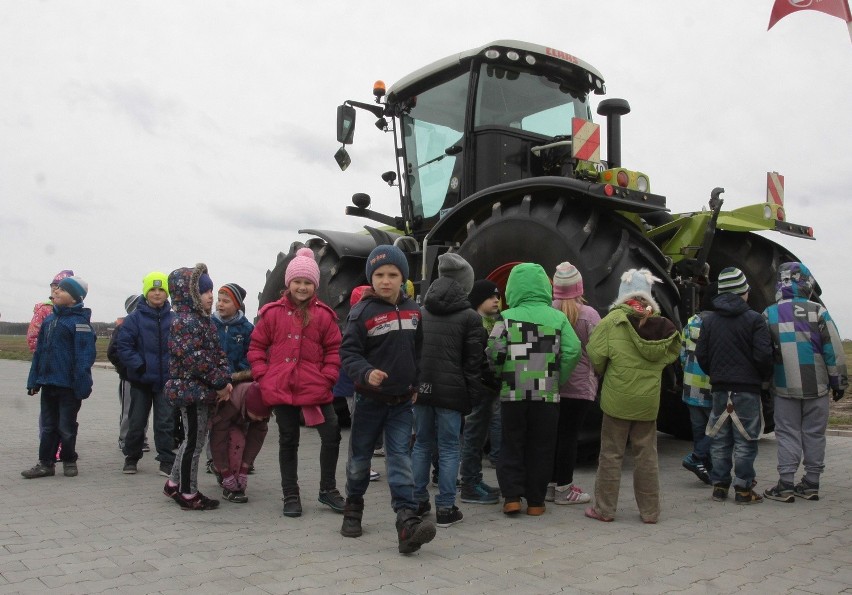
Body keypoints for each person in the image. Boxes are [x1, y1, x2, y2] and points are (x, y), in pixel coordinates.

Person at [339, 244, 436, 554]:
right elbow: (349, 353)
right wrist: (366, 373)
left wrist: (417, 382)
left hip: (401, 402)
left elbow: (419, 351)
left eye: (393, 274)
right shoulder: (362, 312)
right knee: (359, 460)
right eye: (379, 274)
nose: (385, 280)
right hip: (369, 402)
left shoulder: (413, 310)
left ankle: (407, 523)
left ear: (403, 277)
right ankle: (353, 507)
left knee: (400, 460)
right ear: (371, 277)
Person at [248, 248, 345, 518]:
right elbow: (257, 347)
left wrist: (328, 377)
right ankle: (290, 494)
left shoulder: (325, 316)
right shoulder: (272, 314)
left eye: (307, 283)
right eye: (297, 282)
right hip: (281, 388)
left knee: (332, 434)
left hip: (315, 387)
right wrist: (263, 375)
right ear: (288, 283)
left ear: (315, 285)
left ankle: (328, 489)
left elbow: (334, 350)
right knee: (288, 439)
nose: (302, 287)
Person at [584, 268, 680, 523]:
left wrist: (605, 371)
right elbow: (671, 354)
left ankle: (604, 509)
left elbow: (595, 354)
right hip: (648, 403)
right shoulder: (661, 326)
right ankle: (650, 512)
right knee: (646, 455)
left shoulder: (612, 321)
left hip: (617, 400)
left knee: (611, 454)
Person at [486, 263, 581, 516]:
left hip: (513, 392)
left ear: (512, 289)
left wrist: (500, 375)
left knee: (512, 443)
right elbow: (574, 350)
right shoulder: (558, 317)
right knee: (542, 446)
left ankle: (512, 497)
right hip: (546, 395)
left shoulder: (506, 318)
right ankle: (536, 502)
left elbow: (494, 349)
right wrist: (558, 378)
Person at [762, 262, 848, 503]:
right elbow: (833, 349)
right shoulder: (818, 312)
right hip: (817, 385)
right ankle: (811, 483)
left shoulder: (768, 314)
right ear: (806, 283)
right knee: (814, 434)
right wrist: (838, 381)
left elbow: (763, 353)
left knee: (787, 433)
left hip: (783, 384)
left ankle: (786, 484)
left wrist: (764, 385)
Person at [412, 253, 483, 528]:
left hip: (422, 389)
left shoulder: (420, 311)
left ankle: (418, 502)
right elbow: (473, 363)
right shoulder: (470, 317)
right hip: (452, 394)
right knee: (450, 448)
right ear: (466, 284)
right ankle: (445, 508)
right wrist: (472, 397)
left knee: (421, 444)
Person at [696, 267, 773, 505]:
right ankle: (743, 489)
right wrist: (762, 378)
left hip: (720, 389)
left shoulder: (709, 321)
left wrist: (717, 375)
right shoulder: (755, 320)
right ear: (743, 292)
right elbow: (763, 356)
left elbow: (702, 355)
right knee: (746, 439)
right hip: (747, 389)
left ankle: (719, 487)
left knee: (719, 439)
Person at [162, 264, 232, 510]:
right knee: (194, 443)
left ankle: (173, 483)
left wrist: (225, 377)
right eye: (204, 291)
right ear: (189, 295)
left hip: (202, 390)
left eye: (211, 290)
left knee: (193, 439)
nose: (211, 296)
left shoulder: (203, 321)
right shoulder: (184, 322)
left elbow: (217, 354)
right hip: (191, 391)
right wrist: (220, 381)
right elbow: (196, 359)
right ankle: (188, 492)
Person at [22, 276, 96, 479]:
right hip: (48, 383)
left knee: (67, 426)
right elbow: (39, 353)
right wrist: (34, 380)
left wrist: (82, 385)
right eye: (56, 290)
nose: (56, 292)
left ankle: (69, 459)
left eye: (62, 291)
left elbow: (84, 358)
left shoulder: (79, 323)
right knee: (48, 426)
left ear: (75, 298)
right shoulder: (49, 320)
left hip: (69, 387)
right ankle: (45, 463)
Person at [547, 262, 601, 505]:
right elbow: (598, 351)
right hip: (580, 386)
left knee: (553, 435)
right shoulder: (589, 315)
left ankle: (549, 485)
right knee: (569, 437)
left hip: (553, 383)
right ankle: (564, 489)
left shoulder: (549, 311)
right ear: (579, 286)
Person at [116, 271, 175, 476]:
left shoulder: (174, 319)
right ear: (146, 292)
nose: (157, 294)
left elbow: (179, 347)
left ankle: (167, 460)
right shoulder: (134, 319)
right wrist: (138, 365)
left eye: (161, 290)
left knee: (165, 423)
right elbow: (123, 346)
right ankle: (131, 457)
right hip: (141, 381)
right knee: (137, 422)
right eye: (153, 289)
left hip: (165, 382)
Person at [459, 279, 502, 505]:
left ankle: (475, 479)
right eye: (490, 297)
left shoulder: (491, 322)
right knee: (473, 437)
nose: (496, 300)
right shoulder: (475, 323)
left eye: (497, 296)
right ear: (478, 300)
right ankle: (469, 485)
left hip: (487, 388)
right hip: (478, 389)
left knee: (478, 436)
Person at [333, 285, 380, 482]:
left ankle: (363, 461)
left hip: (364, 383)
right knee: (358, 425)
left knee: (364, 425)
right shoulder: (355, 323)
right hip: (353, 385)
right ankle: (358, 465)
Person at [207, 283, 254, 476]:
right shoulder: (210, 324)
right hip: (216, 384)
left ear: (237, 304)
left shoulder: (246, 328)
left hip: (238, 382)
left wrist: (240, 371)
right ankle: (213, 459)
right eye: (219, 300)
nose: (220, 304)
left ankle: (239, 457)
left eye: (226, 301)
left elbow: (251, 353)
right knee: (216, 423)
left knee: (238, 421)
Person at [678, 283, 717, 485]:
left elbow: (683, 354)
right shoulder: (719, 323)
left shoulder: (691, 322)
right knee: (716, 428)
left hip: (691, 384)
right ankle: (697, 458)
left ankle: (705, 467)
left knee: (699, 429)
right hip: (711, 385)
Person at [208, 381, 270, 503]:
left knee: (243, 442)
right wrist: (226, 473)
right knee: (237, 441)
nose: (260, 419)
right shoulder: (230, 404)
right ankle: (232, 488)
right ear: (249, 406)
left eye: (263, 417)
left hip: (240, 418)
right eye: (257, 415)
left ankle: (223, 471)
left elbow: (255, 442)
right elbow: (218, 439)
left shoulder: (262, 410)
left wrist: (244, 469)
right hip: (220, 421)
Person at [107, 294, 146, 452]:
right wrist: (126, 368)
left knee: (142, 411)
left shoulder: (148, 326)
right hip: (129, 377)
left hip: (145, 377)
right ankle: (125, 438)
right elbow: (113, 352)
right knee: (128, 409)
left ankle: (140, 438)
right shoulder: (123, 327)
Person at [27, 269, 74, 353]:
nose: (56, 292)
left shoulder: (76, 312)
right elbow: (33, 336)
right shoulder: (45, 310)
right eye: (54, 289)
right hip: (47, 359)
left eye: (61, 289)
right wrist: (42, 356)